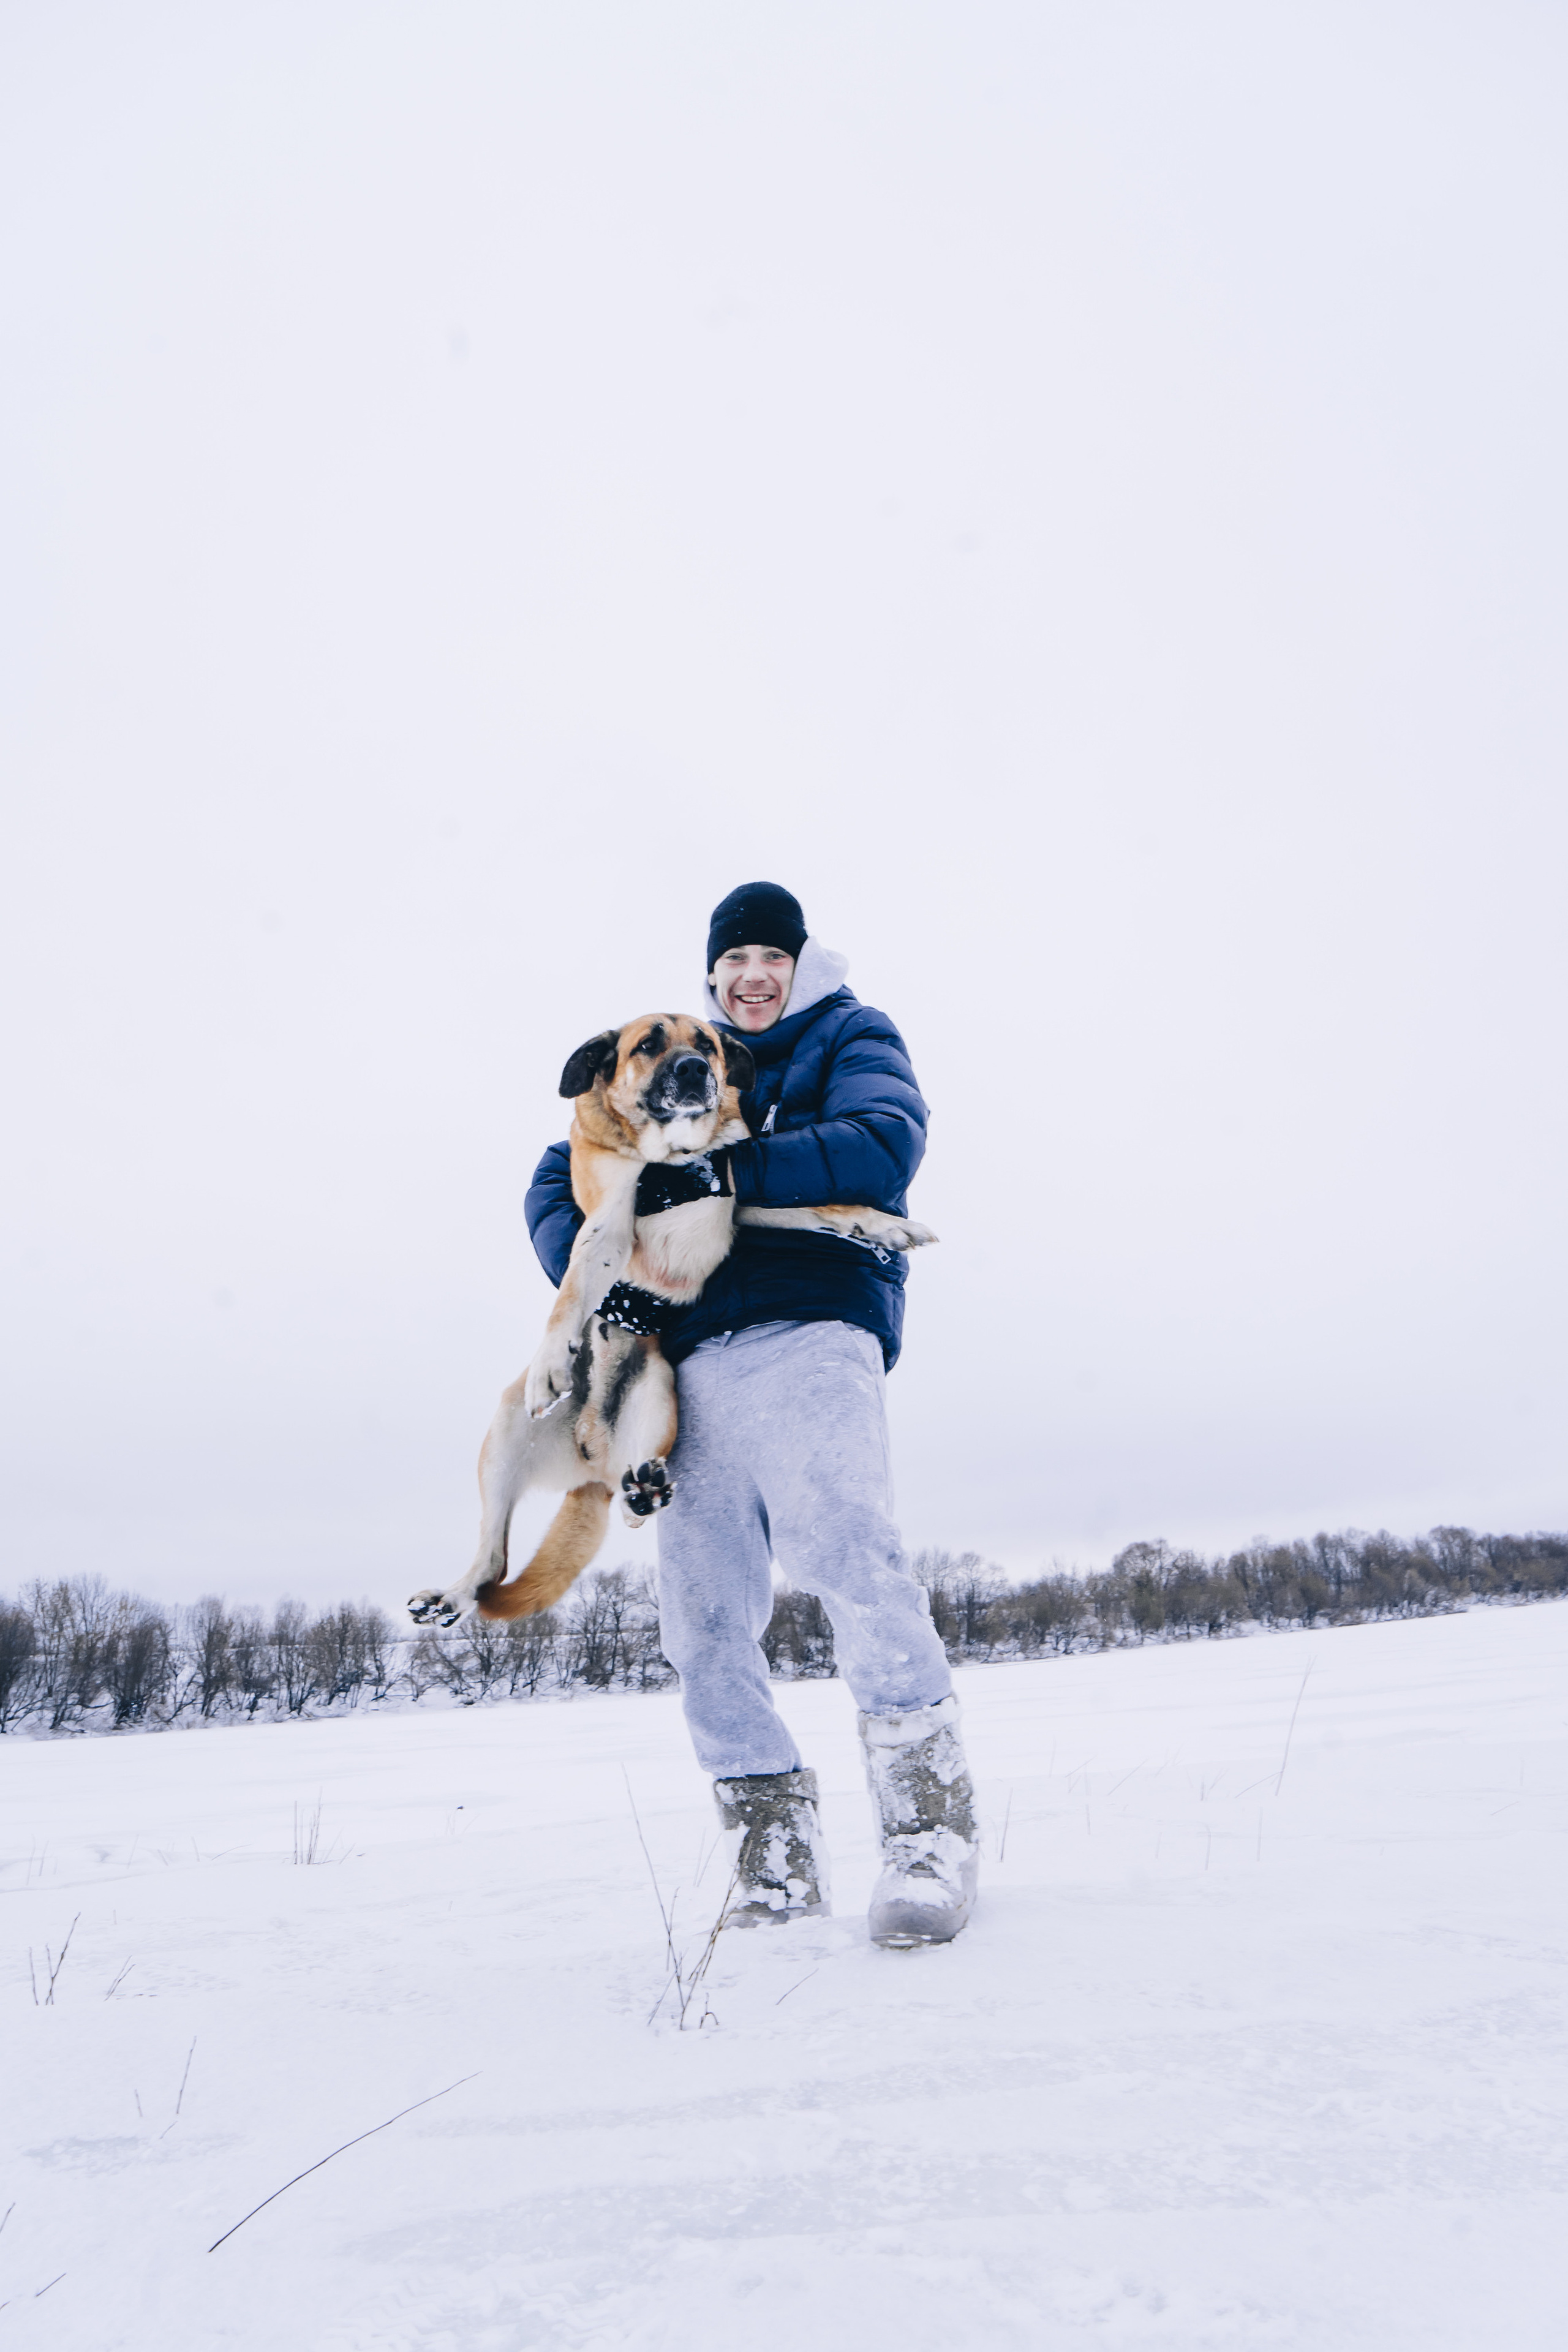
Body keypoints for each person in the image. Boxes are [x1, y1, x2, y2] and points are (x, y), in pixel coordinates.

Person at [526, 881, 978, 1947]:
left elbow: (880, 1142)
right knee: (705, 1619)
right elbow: (558, 1178)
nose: (752, 976)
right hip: (682, 1369)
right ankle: (771, 1854)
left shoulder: (845, 1035)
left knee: (846, 1550)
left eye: (771, 957)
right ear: (714, 974)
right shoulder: (679, 1058)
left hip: (812, 1322)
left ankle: (929, 1837)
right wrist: (602, 1273)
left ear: (800, 962)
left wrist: (715, 1173)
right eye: (734, 962)